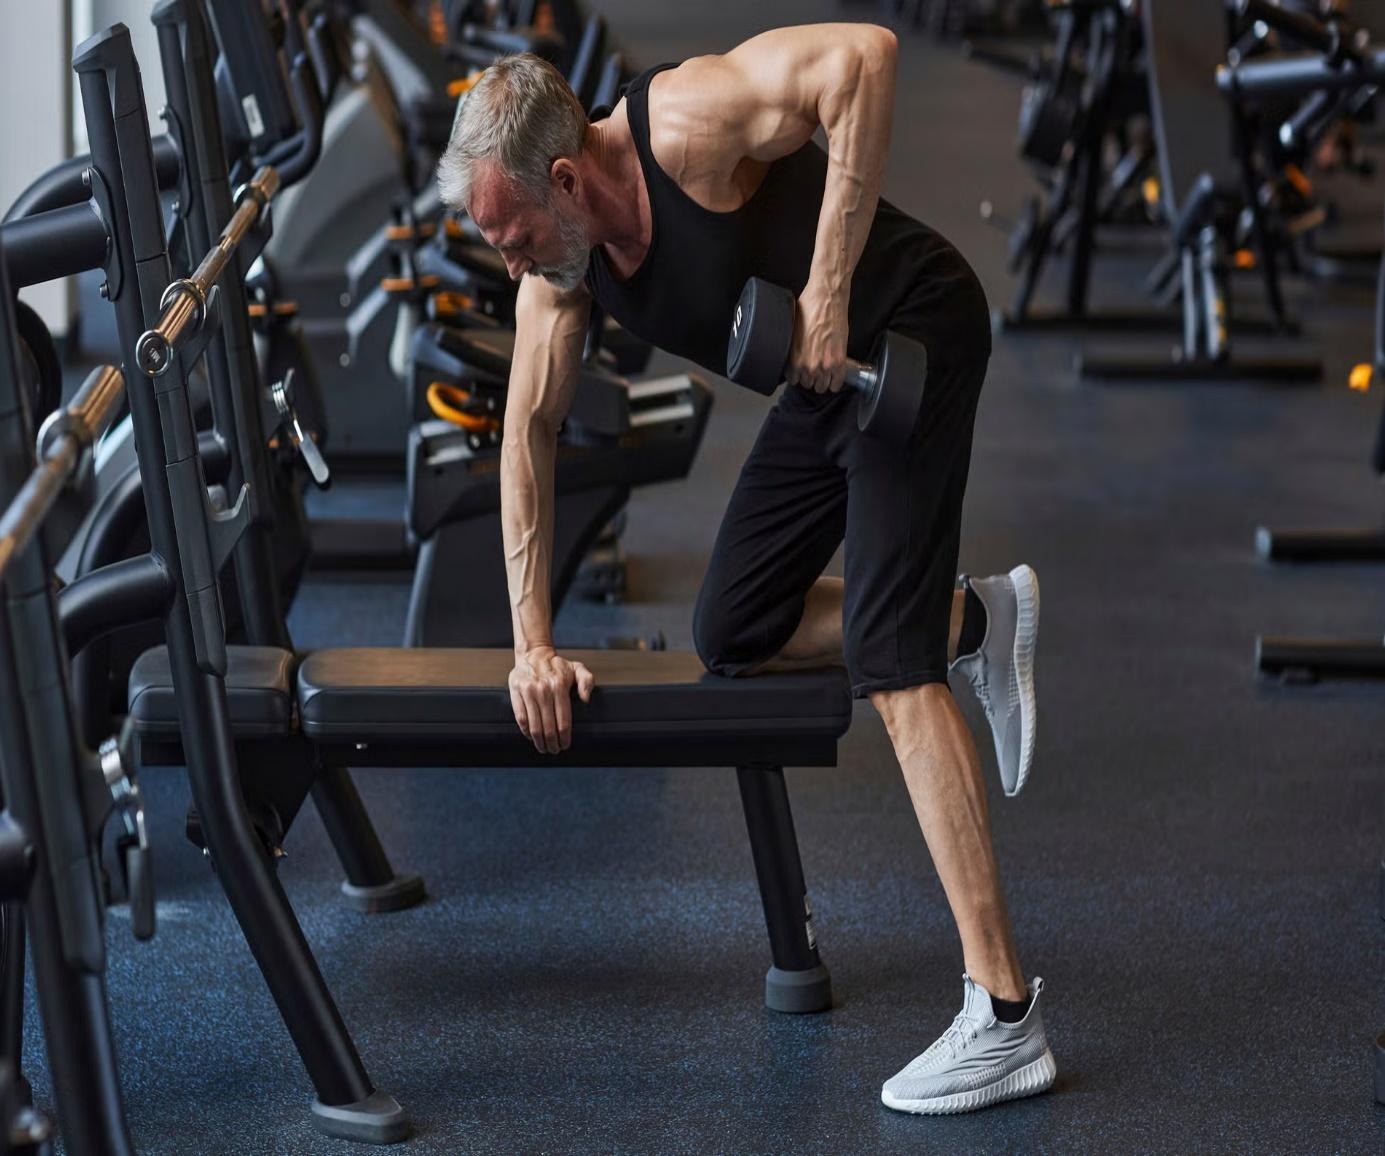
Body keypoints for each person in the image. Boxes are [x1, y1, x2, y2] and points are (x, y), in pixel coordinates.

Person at [435, 24, 1054, 1114]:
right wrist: (532, 644)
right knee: (734, 630)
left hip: (912, 332)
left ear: (566, 179)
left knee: (891, 668)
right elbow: (526, 434)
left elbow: (865, 57)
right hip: (828, 387)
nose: (512, 262)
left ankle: (1005, 1014)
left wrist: (827, 290)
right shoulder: (564, 276)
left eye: (514, 233)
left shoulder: (685, 125)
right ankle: (974, 623)